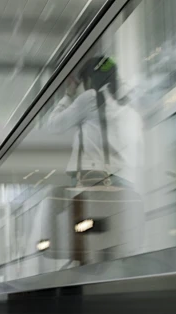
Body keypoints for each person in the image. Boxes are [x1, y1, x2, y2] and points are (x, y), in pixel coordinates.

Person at [43, 56, 146, 262]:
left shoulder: (89, 98)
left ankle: (55, 250)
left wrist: (68, 95)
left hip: (92, 181)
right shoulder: (128, 106)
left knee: (54, 197)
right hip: (124, 183)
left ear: (90, 80)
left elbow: (53, 126)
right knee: (111, 242)